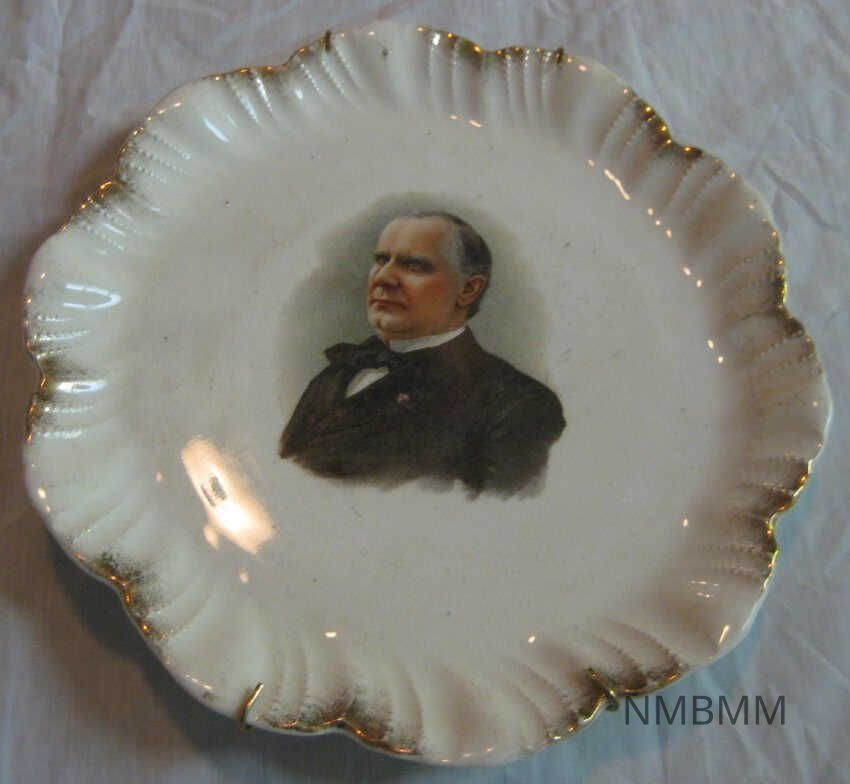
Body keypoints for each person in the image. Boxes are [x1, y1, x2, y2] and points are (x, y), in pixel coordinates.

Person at [279, 211, 565, 496]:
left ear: (468, 289)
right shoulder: (341, 370)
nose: (384, 278)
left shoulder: (518, 405)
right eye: (381, 260)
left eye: (414, 266)